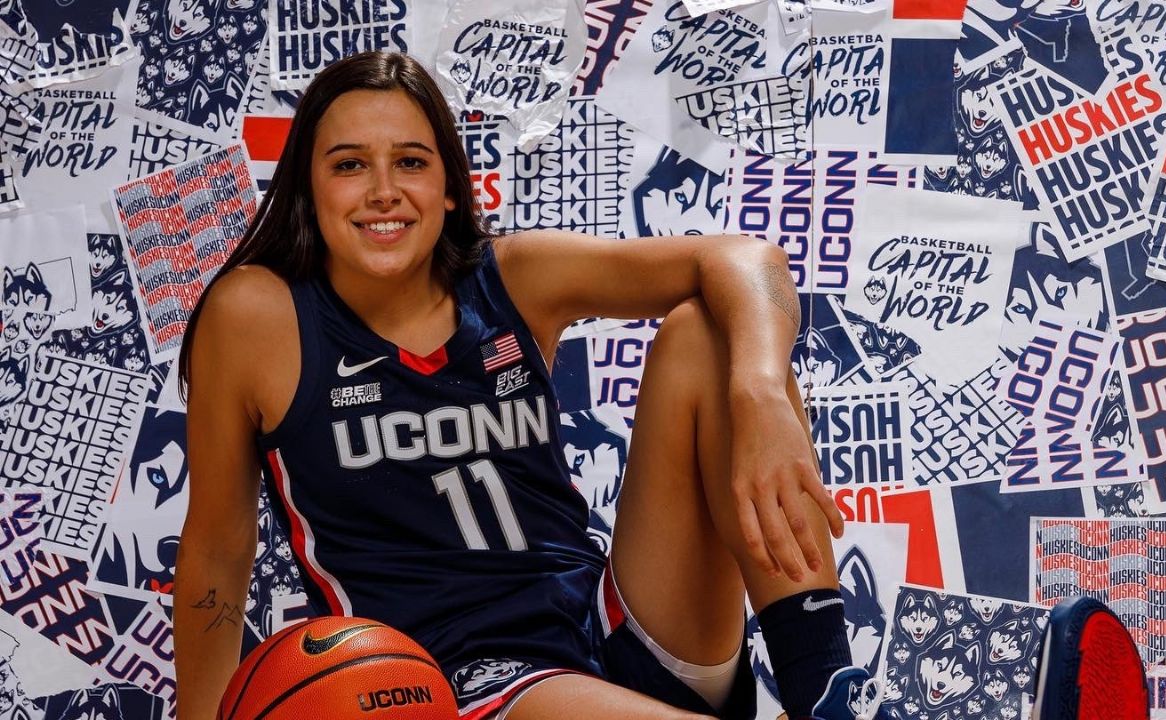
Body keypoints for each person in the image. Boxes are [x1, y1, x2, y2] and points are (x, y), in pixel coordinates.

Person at [173, 51, 862, 720]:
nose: (383, 190)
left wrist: (759, 392)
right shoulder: (257, 316)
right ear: (308, 187)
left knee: (712, 332)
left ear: (449, 187)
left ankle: (826, 694)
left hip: (608, 633)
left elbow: (745, 258)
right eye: (349, 165)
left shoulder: (513, 275)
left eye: (410, 162)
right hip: (449, 681)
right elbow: (217, 552)